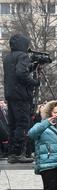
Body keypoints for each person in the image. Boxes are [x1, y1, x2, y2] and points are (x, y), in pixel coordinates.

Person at [3, 34, 40, 163]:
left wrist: (30, 67)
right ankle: (19, 153)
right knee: (23, 123)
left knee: (13, 124)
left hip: (10, 94)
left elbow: (15, 72)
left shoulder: (8, 57)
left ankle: (13, 153)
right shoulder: (23, 56)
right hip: (21, 95)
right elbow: (20, 73)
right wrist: (34, 82)